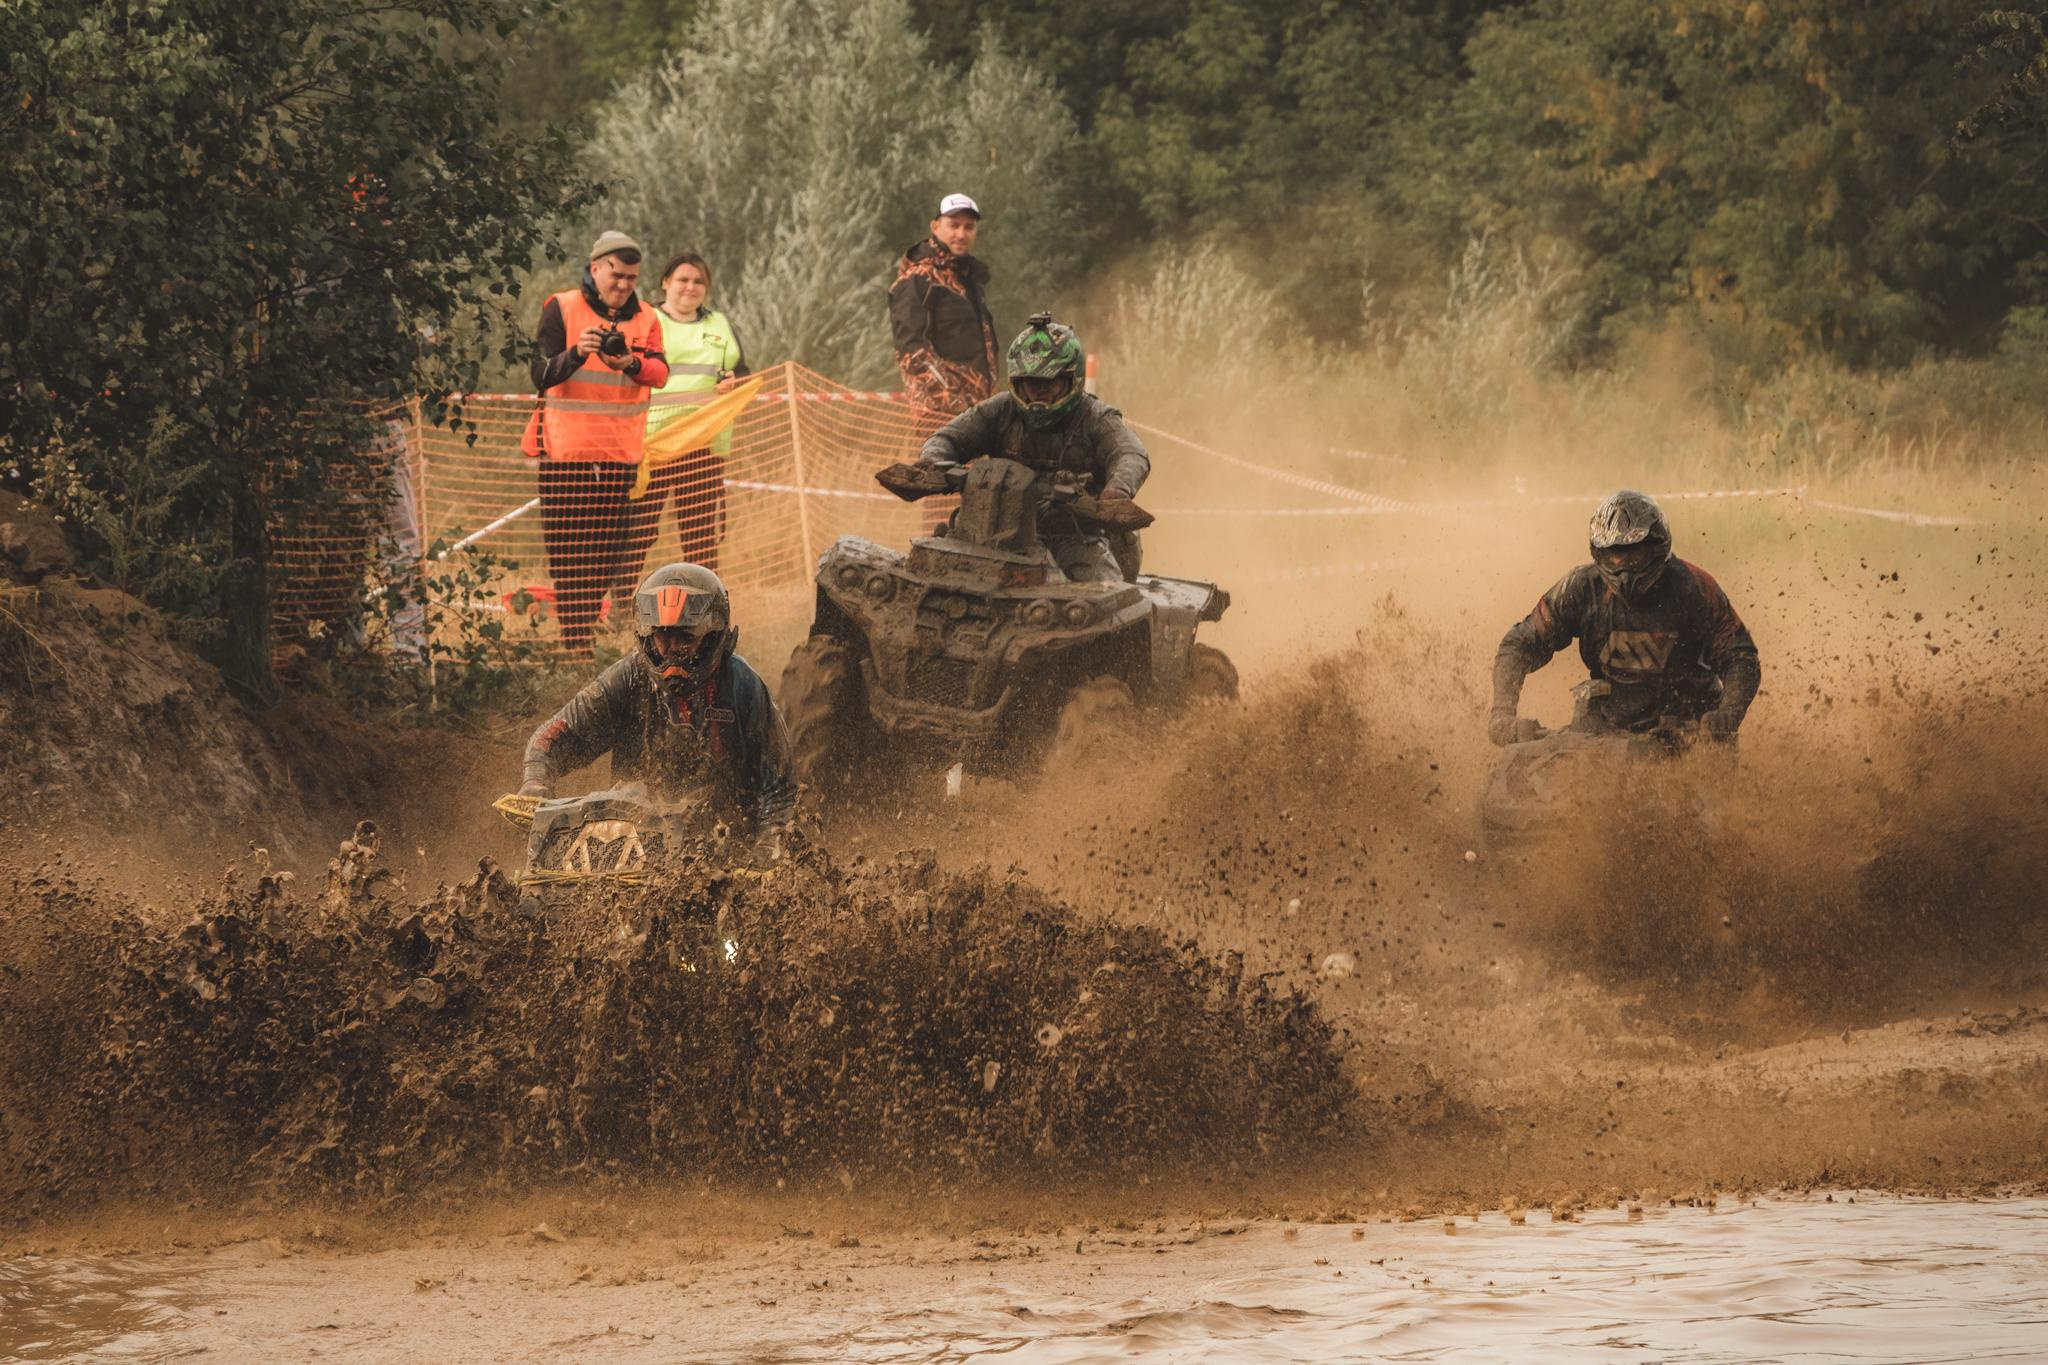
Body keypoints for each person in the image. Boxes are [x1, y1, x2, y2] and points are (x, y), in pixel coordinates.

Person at [520, 563, 796, 852]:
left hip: (728, 844)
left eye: (686, 638)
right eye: (663, 636)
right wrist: (536, 784)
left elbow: (779, 786)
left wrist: (767, 850)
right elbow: (550, 739)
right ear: (647, 635)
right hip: (634, 842)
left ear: (713, 636)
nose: (672, 648)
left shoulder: (744, 685)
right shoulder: (626, 677)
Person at [1489, 490, 1762, 745]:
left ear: (1656, 546)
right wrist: (1503, 713)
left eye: (1634, 552)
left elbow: (1740, 657)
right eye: (1616, 554)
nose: (1624, 565)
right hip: (1608, 728)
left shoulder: (1694, 587)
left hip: (1691, 728)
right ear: (1600, 553)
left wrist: (1727, 715)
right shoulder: (1581, 588)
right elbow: (1520, 644)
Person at [521, 230, 671, 655]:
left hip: (619, 454)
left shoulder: (646, 317)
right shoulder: (561, 307)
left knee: (607, 555)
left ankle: (585, 633)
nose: (624, 285)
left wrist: (631, 362)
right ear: (595, 268)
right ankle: (576, 643)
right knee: (569, 554)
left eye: (631, 278)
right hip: (565, 455)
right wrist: (576, 353)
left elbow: (660, 373)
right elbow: (539, 373)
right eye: (616, 275)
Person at [916, 313, 1149, 583]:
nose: (1040, 390)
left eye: (1050, 381)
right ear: (1018, 381)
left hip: (1076, 536)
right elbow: (946, 438)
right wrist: (933, 461)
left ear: (1071, 379)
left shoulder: (1096, 417)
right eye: (1031, 381)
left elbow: (1130, 453)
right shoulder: (1000, 410)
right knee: (930, 576)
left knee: (1106, 595)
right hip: (994, 534)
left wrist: (1117, 489)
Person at [626, 252, 751, 593]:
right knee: (639, 532)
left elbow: (741, 373)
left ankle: (706, 604)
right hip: (651, 445)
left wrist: (732, 381)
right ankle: (624, 602)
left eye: (698, 281)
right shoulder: (645, 320)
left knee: (699, 536)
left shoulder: (721, 325)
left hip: (703, 446)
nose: (690, 287)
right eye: (682, 279)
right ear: (665, 282)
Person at [890, 193, 998, 420]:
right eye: (954, 225)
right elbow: (911, 349)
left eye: (969, 227)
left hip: (977, 410)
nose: (961, 234)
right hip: (940, 413)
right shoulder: (918, 278)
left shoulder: (968, 280)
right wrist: (951, 397)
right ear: (936, 227)